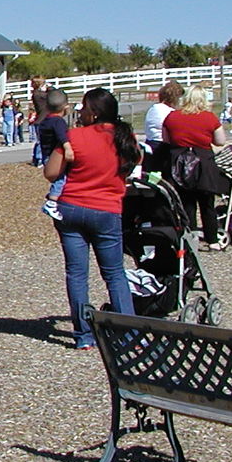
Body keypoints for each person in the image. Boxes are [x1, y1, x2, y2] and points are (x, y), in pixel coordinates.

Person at [43, 87, 140, 351]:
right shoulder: (125, 137)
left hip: (72, 207)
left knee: (77, 274)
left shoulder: (74, 137)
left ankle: (83, 335)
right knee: (114, 274)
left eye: (84, 107)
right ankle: (129, 335)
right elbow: (134, 163)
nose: (80, 112)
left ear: (94, 113)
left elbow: (51, 173)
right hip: (107, 209)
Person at [162, 85, 228, 251]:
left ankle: (191, 237)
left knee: (186, 204)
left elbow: (166, 139)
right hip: (203, 162)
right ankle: (212, 240)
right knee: (207, 204)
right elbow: (220, 141)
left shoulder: (172, 117)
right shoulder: (209, 118)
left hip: (179, 162)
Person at [38, 88, 71, 219]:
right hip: (54, 157)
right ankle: (51, 202)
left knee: (59, 179)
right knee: (60, 179)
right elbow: (62, 136)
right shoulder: (58, 122)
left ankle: (54, 196)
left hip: (46, 155)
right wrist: (67, 148)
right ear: (65, 107)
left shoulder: (45, 121)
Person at [29, 76, 50, 165]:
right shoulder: (37, 94)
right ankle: (39, 159)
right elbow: (51, 95)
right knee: (40, 141)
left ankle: (36, 158)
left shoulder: (40, 94)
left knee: (40, 141)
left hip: (42, 119)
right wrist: (49, 88)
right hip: (41, 120)